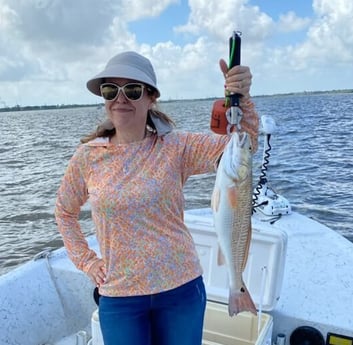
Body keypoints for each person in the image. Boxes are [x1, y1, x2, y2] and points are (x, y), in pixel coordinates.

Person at [55, 51, 259, 345]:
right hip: (119, 296)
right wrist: (87, 261)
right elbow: (64, 211)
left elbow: (241, 151)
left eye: (133, 90)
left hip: (181, 289)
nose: (120, 98)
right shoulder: (87, 157)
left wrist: (244, 100)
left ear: (151, 98)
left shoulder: (176, 146)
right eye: (111, 90)